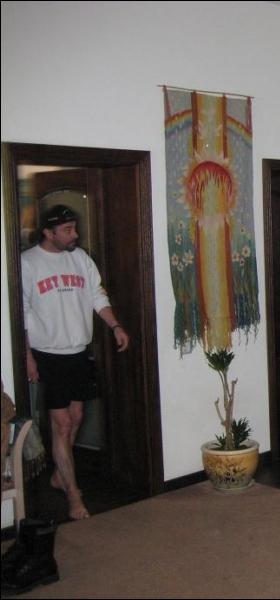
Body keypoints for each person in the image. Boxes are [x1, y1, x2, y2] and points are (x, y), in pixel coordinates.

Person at [21, 205, 129, 520]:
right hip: (48, 354)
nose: (75, 234)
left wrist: (115, 326)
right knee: (62, 424)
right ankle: (73, 495)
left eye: (74, 228)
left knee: (77, 416)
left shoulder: (80, 258)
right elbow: (21, 312)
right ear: (48, 232)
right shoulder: (28, 263)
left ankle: (60, 474)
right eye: (67, 230)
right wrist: (27, 356)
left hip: (78, 352)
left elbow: (97, 295)